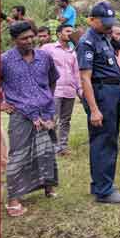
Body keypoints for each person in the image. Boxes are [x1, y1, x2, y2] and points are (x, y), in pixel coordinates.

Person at [1, 22, 60, 217]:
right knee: (19, 155)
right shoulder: (5, 60)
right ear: (14, 40)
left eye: (31, 37)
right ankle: (14, 199)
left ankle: (48, 187)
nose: (29, 41)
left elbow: (53, 79)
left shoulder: (44, 57)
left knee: (46, 151)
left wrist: (47, 100)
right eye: (23, 38)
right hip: (21, 114)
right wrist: (2, 103)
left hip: (45, 113)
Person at [76, 2, 120, 204]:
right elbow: (85, 78)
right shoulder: (87, 42)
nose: (109, 26)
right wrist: (95, 110)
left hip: (111, 92)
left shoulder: (103, 38)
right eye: (104, 22)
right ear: (91, 20)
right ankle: (104, 190)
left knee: (107, 140)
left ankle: (99, 184)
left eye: (110, 22)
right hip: (101, 94)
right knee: (104, 142)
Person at [40, 24, 82, 156]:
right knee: (52, 119)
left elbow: (76, 73)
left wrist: (79, 89)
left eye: (72, 31)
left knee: (65, 120)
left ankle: (62, 147)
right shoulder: (48, 48)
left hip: (69, 91)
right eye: (67, 31)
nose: (70, 33)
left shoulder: (73, 52)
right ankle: (50, 148)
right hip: (54, 91)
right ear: (59, 34)